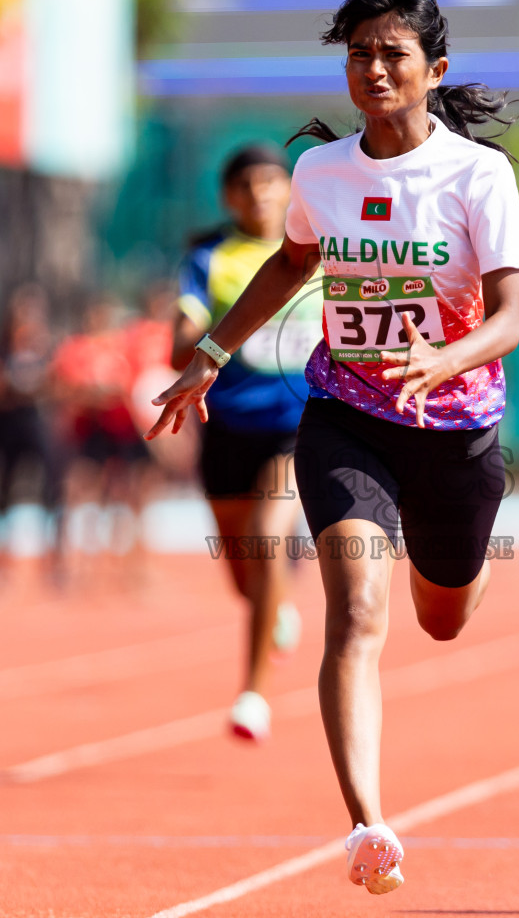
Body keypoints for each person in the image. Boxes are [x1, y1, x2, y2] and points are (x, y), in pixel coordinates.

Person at [148, 0, 519, 895]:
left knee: (440, 618)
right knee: (357, 611)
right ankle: (367, 824)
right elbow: (291, 265)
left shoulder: (478, 175)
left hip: (455, 430)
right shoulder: (321, 171)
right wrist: (212, 354)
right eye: (359, 55)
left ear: (434, 68)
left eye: (393, 54)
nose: (373, 69)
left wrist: (447, 360)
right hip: (346, 416)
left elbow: (510, 317)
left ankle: (464, 563)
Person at [172, 144, 324, 743]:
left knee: (267, 542)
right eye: (246, 184)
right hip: (225, 424)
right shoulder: (209, 258)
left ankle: (253, 693)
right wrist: (191, 338)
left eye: (271, 181)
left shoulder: (314, 252)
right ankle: (275, 605)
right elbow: (184, 323)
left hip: (296, 424)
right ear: (228, 197)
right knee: (244, 575)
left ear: (290, 190)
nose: (260, 193)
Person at [51, 295, 153, 587]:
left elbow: (134, 387)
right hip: (89, 431)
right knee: (82, 494)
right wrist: (96, 395)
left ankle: (133, 568)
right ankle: (79, 566)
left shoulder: (122, 348)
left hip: (123, 430)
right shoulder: (75, 349)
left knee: (132, 497)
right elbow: (67, 390)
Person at [0, 284, 62, 592]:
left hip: (35, 427)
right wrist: (9, 384)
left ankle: (53, 564)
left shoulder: (47, 349)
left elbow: (57, 385)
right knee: (2, 496)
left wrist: (37, 383)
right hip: (6, 429)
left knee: (51, 494)